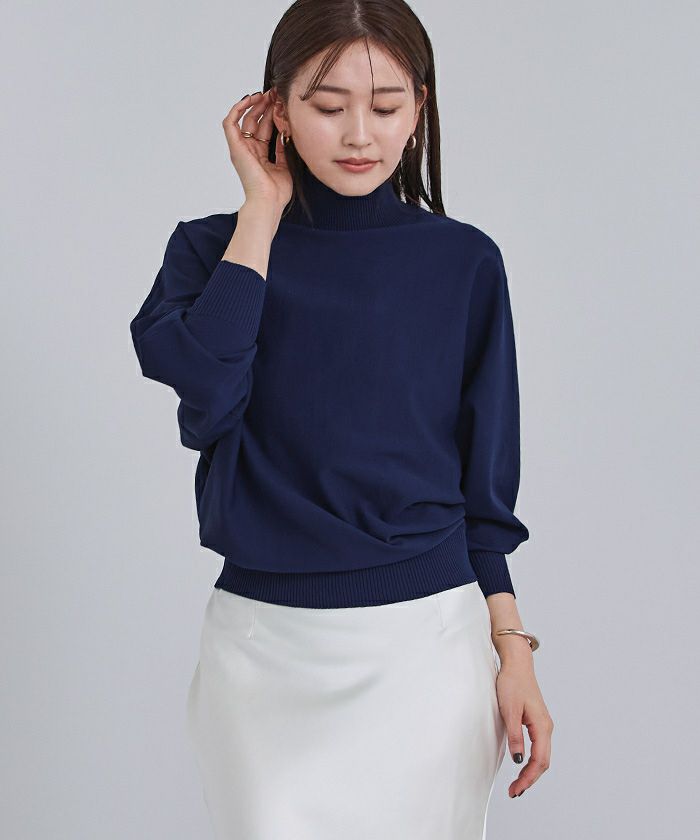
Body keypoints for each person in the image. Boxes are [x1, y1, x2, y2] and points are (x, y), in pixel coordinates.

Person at [129, 2, 553, 837]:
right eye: (328, 107)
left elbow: (485, 490)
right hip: (263, 656)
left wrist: (514, 650)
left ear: (418, 109)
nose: (361, 134)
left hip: (429, 647)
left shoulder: (464, 262)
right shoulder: (212, 252)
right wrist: (260, 212)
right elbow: (206, 392)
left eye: (387, 106)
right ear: (276, 109)